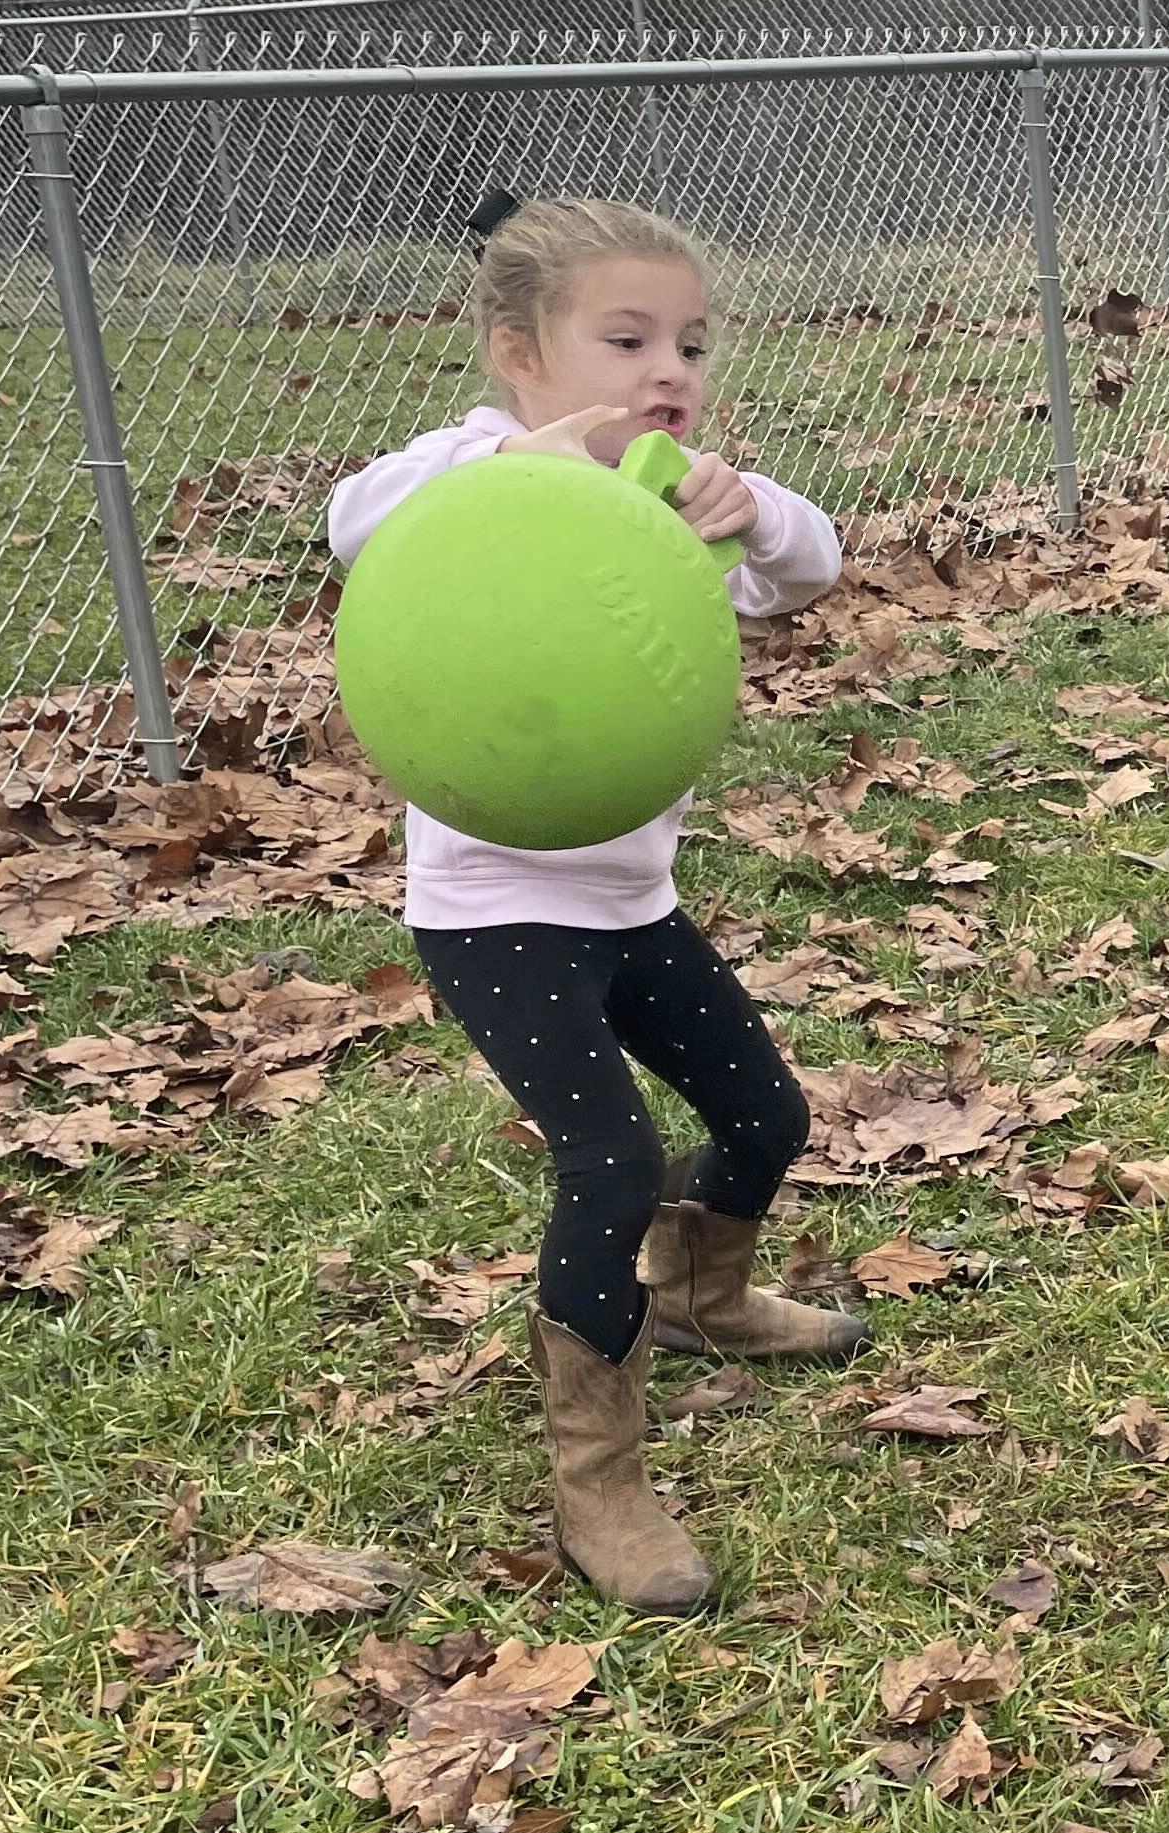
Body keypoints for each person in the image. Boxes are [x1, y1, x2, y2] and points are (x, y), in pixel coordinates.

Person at [327, 190, 860, 1614]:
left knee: (767, 1118)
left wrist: (746, 507)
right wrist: (549, 461)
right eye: (626, 340)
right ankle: (599, 1478)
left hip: (630, 904)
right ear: (521, 352)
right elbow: (354, 521)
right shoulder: (468, 477)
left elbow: (810, 568)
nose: (667, 371)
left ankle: (704, 1297)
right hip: (493, 907)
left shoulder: (671, 512)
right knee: (612, 1159)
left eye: (688, 342)